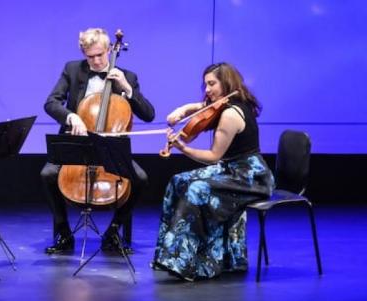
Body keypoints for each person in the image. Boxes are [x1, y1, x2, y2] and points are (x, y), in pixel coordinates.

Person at [152, 62, 274, 281]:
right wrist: (183, 110)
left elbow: (213, 156)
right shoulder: (224, 104)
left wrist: (183, 148)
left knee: (197, 189)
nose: (207, 89)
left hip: (249, 177)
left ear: (226, 83)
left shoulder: (231, 114)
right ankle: (168, 255)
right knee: (177, 181)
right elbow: (200, 109)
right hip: (230, 169)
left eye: (211, 84)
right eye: (205, 84)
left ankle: (188, 261)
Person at [42, 27, 155, 254]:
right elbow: (51, 103)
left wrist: (127, 89)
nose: (95, 61)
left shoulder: (128, 77)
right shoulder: (72, 70)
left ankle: (113, 231)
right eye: (89, 56)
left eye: (100, 55)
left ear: (108, 50)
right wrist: (71, 116)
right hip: (78, 142)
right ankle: (64, 233)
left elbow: (149, 114)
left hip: (110, 147)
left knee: (140, 179)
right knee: (48, 174)